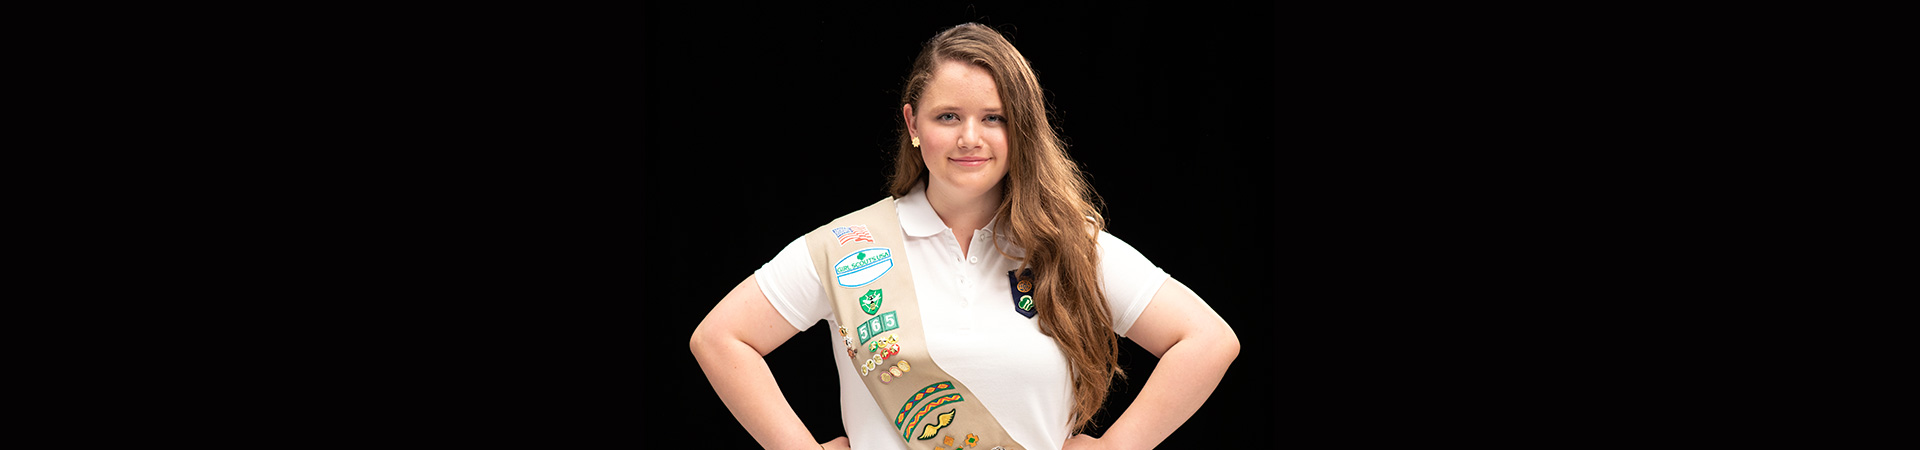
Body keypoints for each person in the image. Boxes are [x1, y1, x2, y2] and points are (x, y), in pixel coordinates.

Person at [689, 23, 1239, 450]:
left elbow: (1208, 341)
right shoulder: (847, 246)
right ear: (912, 124)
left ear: (1019, 129)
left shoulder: (1070, 246)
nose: (970, 138)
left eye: (994, 118)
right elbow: (720, 338)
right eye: (948, 116)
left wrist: (1119, 444)